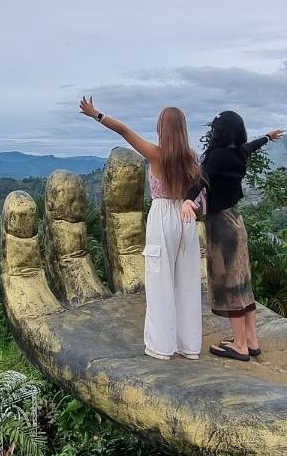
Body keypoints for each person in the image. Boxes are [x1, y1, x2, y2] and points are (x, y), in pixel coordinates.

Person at [80, 96, 204, 360]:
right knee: (187, 281)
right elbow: (200, 190)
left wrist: (96, 115)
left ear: (162, 128)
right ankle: (189, 346)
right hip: (186, 218)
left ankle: (162, 345)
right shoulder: (190, 158)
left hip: (162, 217)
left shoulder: (155, 154)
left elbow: (123, 130)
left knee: (160, 282)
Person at [196, 111, 284, 361]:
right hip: (236, 222)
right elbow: (250, 147)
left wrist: (184, 201)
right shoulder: (237, 154)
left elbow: (201, 182)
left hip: (221, 227)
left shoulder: (217, 156)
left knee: (230, 285)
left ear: (219, 131)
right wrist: (267, 137)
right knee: (243, 284)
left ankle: (239, 345)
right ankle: (251, 341)